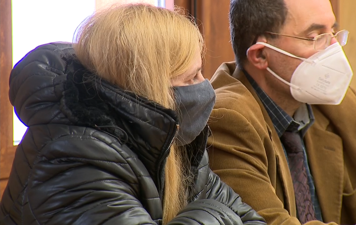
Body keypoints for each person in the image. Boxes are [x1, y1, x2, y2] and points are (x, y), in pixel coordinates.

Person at [0, 4, 267, 225]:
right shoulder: (73, 156)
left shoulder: (173, 138)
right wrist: (215, 214)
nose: (204, 84)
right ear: (149, 86)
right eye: (191, 77)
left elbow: (252, 220)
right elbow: (229, 212)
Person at [207, 0, 356, 224]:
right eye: (315, 37)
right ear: (261, 55)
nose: (334, 49)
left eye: (334, 32)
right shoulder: (225, 119)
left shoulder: (343, 107)